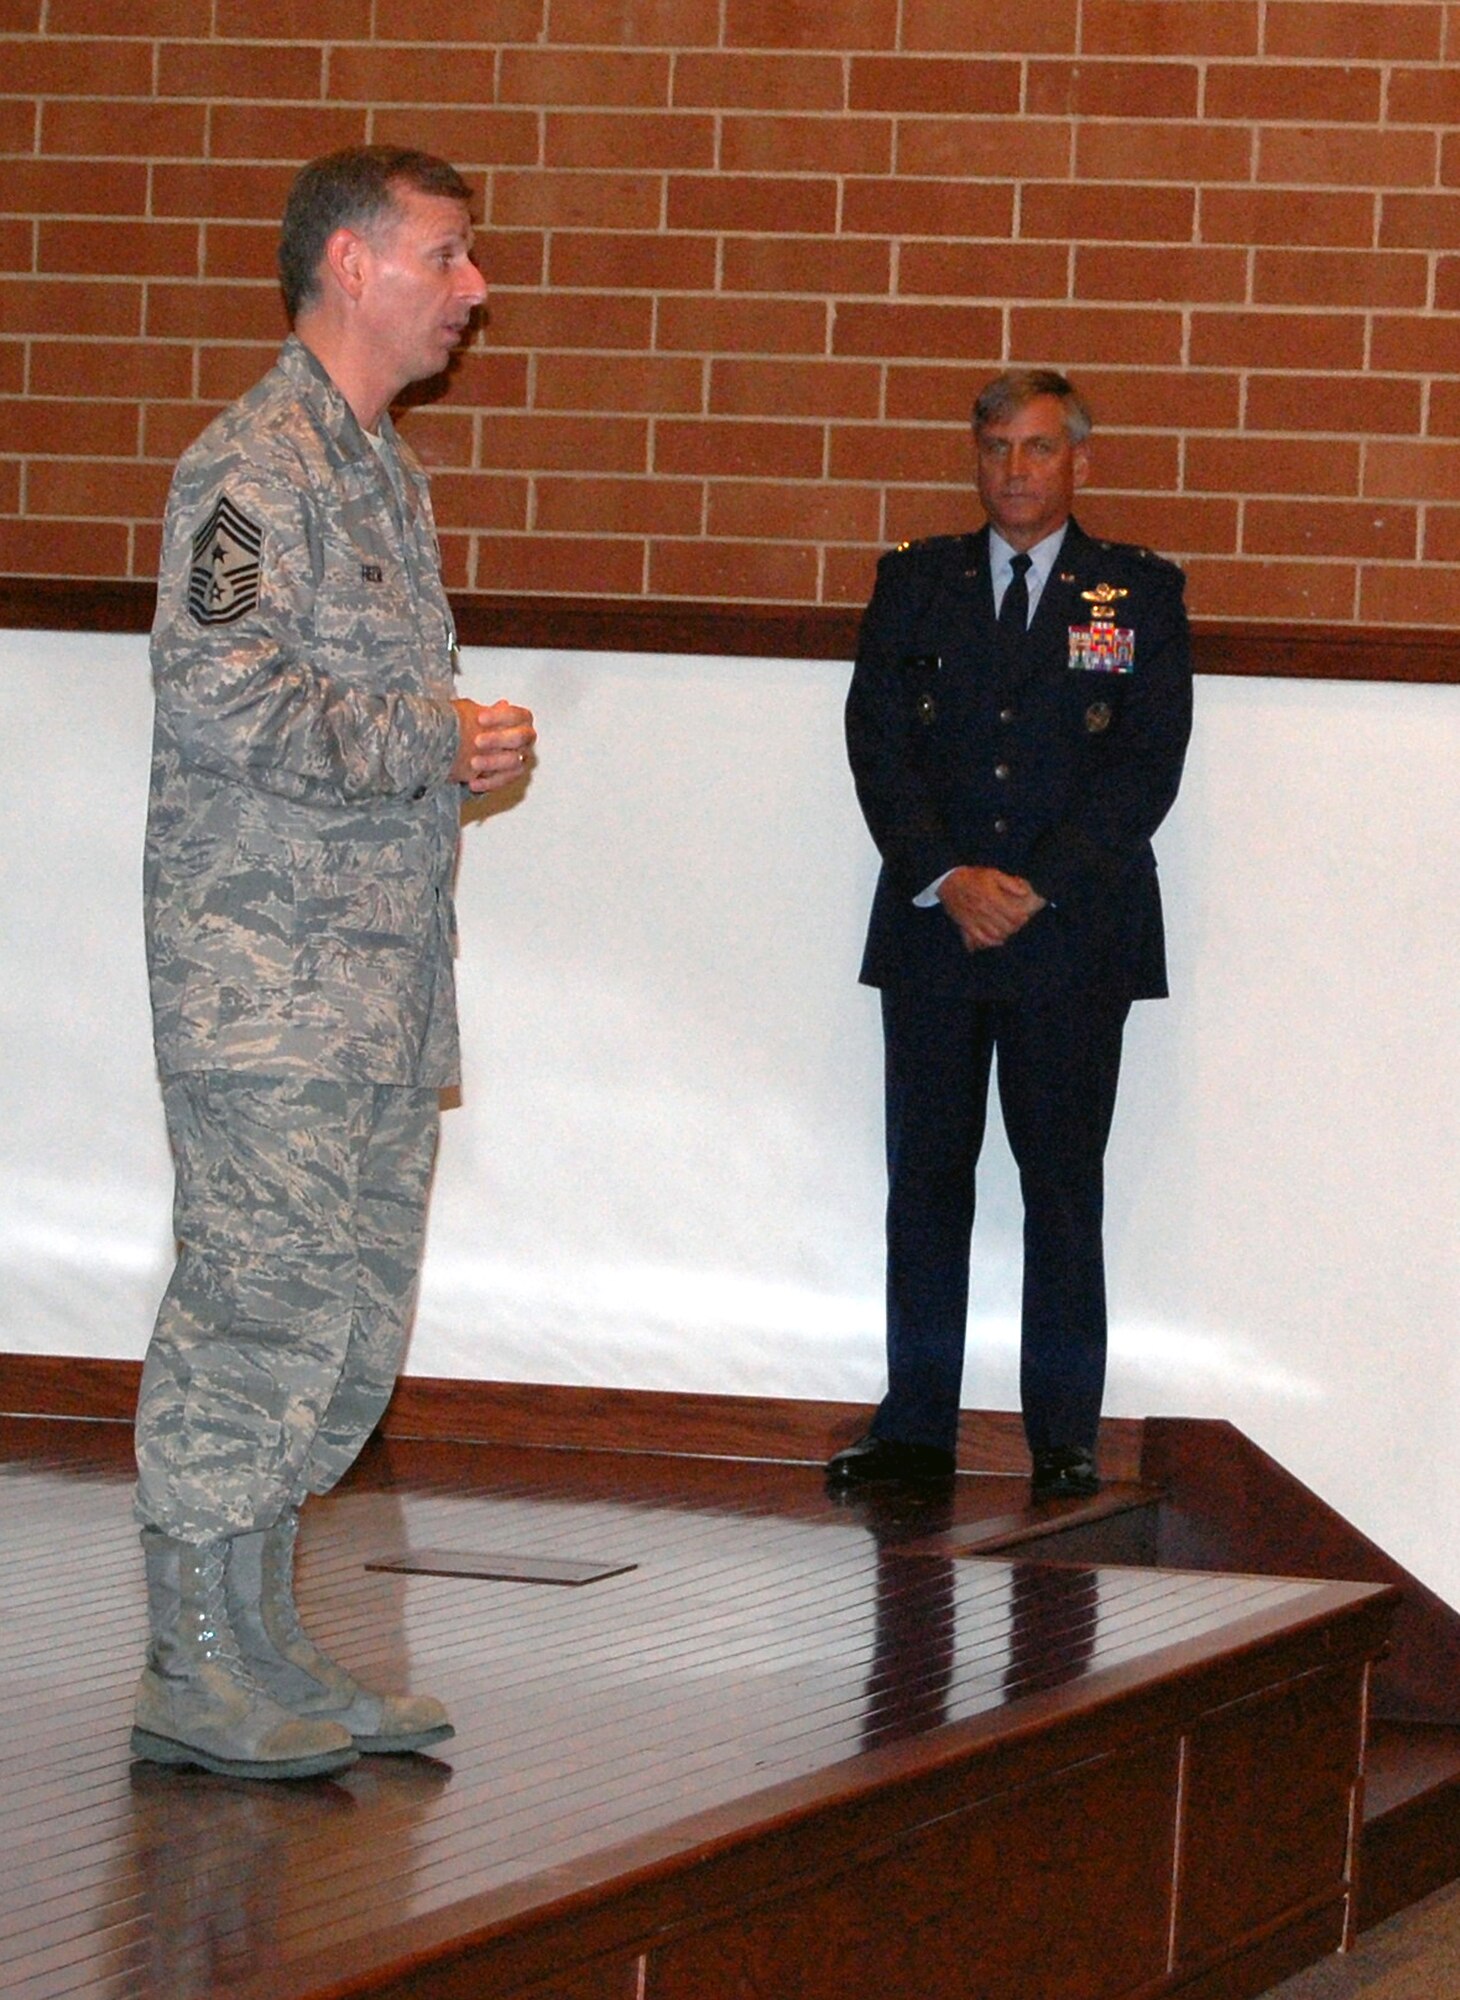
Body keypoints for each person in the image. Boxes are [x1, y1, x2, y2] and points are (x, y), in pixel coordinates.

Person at [132, 146, 536, 1780]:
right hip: (267, 995)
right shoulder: (257, 465)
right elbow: (221, 701)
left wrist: (443, 751)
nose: (474, 288)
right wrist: (429, 737)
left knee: (343, 1337)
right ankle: (190, 1664)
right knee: (253, 1324)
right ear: (355, 268)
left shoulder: (382, 471)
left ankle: (269, 1647)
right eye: (446, 256)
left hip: (374, 1001)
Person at [829, 369, 1191, 1502]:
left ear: (1078, 461)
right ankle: (915, 1428)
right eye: (995, 449)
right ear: (974, 457)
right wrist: (946, 874)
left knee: (1060, 1185)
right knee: (925, 1179)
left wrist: (1028, 885)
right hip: (937, 929)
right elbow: (874, 741)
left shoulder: (1133, 594)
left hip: (1070, 936)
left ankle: (1063, 1438)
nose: (1014, 471)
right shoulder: (914, 583)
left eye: (1037, 449)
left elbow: (1145, 764)